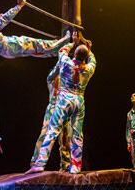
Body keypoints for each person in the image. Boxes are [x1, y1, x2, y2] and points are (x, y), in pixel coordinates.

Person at [26, 42, 96, 174]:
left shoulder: (66, 62)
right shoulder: (89, 69)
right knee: (77, 134)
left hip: (65, 99)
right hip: (79, 100)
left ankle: (40, 163)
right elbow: (93, 60)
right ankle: (75, 167)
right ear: (85, 57)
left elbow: (62, 50)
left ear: (74, 54)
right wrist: (89, 49)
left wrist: (72, 43)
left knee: (52, 130)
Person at [0, 0, 71, 59]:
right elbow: (5, 20)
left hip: (6, 52)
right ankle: (65, 41)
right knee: (38, 45)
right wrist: (19, 6)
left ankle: (62, 49)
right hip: (10, 45)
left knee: (36, 51)